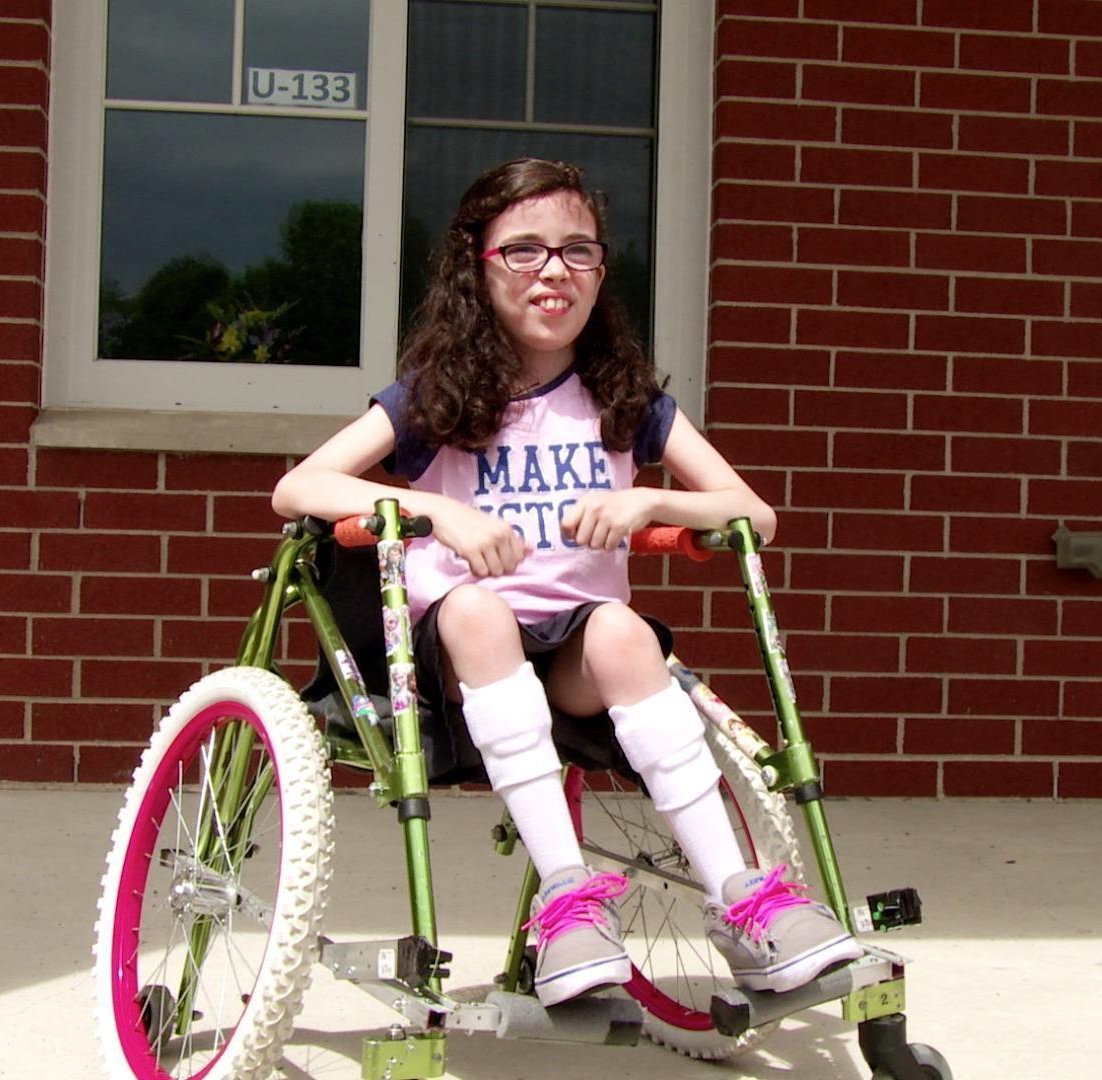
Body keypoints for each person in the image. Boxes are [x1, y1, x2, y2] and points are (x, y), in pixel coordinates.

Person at [271, 158, 861, 1006]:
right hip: (457, 656)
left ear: (601, 269)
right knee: (475, 608)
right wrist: (441, 515)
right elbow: (300, 488)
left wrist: (649, 497)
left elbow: (752, 515)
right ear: (478, 267)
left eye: (578, 251)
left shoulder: (623, 395)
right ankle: (568, 899)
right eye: (525, 251)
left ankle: (746, 900)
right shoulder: (436, 395)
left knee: (622, 629)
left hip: (576, 656)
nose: (554, 271)